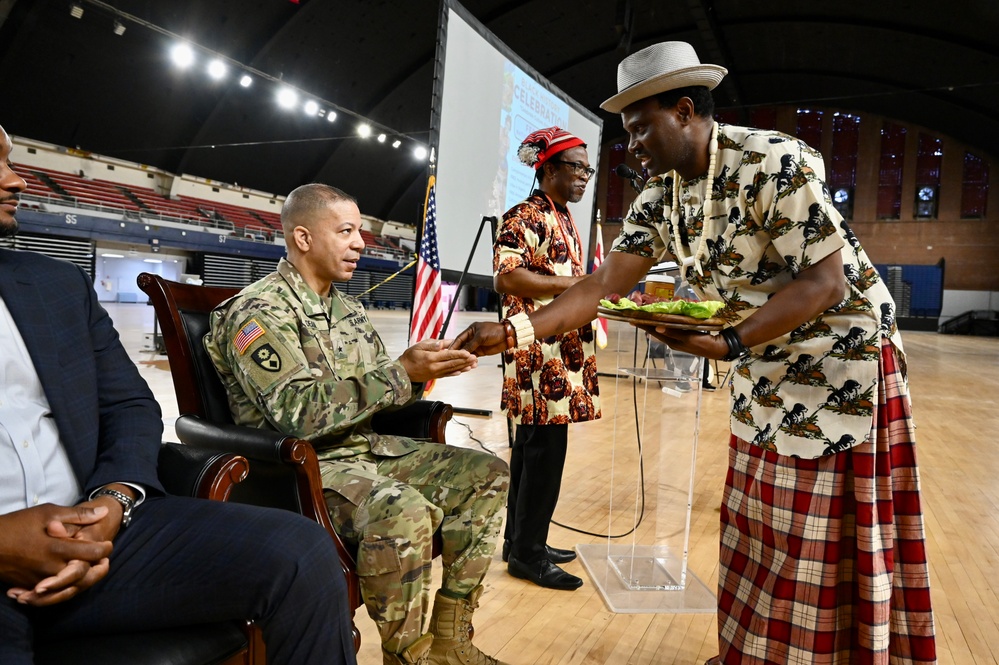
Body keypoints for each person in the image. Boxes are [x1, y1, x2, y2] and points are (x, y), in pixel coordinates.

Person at [453, 41, 936, 664]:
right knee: (758, 526)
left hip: (840, 366)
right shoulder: (663, 196)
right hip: (764, 365)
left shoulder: (771, 162)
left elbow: (826, 283)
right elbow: (602, 286)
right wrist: (515, 333)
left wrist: (729, 341)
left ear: (684, 110)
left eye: (640, 128)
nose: (632, 147)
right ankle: (756, 652)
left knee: (816, 533)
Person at [0, 124, 356, 665]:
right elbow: (297, 410)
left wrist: (114, 498)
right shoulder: (259, 312)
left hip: (100, 532)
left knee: (301, 552)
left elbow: (130, 406)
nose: (16, 179)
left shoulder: (54, 286)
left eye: (12, 159)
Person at [204, 183, 510, 665]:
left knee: (487, 474)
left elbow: (374, 398)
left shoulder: (347, 309)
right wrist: (398, 374)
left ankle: (451, 642)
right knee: (404, 510)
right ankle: (408, 656)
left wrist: (421, 372)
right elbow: (297, 414)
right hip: (296, 472)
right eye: (345, 231)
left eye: (360, 231)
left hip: (362, 453)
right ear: (303, 238)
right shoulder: (258, 313)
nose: (361, 243)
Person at [494, 127, 600, 591]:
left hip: (559, 351)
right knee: (543, 455)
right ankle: (528, 556)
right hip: (540, 356)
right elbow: (506, 278)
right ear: (549, 169)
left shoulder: (562, 216)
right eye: (577, 167)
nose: (584, 177)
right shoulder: (526, 214)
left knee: (532, 452)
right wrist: (574, 286)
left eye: (587, 169)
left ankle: (520, 540)